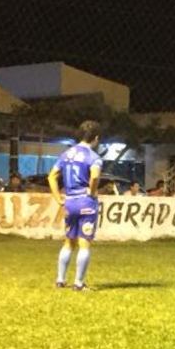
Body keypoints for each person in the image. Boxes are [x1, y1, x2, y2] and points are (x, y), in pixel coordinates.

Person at [48, 120, 103, 292]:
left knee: (68, 242)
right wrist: (92, 192)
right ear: (96, 138)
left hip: (70, 202)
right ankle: (79, 283)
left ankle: (60, 280)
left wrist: (58, 198)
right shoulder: (94, 158)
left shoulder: (66, 155)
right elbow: (94, 178)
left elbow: (51, 176)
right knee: (84, 243)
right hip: (86, 202)